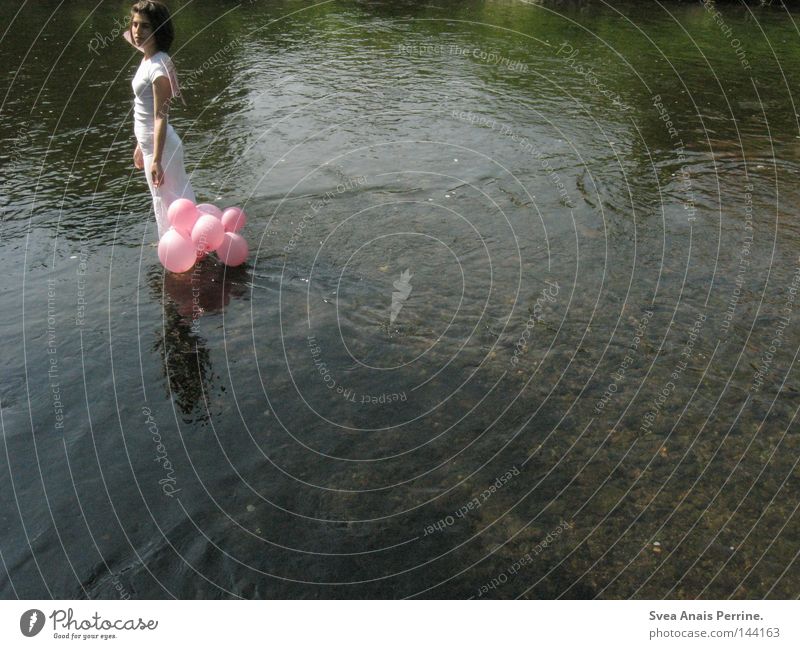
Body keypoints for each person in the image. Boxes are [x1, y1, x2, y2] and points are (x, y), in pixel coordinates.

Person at [125, 1, 195, 238]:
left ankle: (192, 250)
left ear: (158, 29)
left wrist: (155, 159)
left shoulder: (158, 67)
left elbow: (160, 116)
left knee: (173, 202)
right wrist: (140, 145)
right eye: (134, 24)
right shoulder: (149, 59)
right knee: (164, 202)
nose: (137, 31)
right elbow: (142, 109)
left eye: (145, 26)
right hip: (151, 146)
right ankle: (179, 249)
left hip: (162, 150)